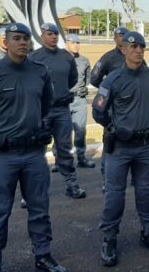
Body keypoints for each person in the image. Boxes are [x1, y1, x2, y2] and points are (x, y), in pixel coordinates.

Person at [0, 22, 68, 272]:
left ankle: (43, 255)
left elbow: (48, 104)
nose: (23, 43)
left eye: (26, 38)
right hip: (4, 156)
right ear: (6, 42)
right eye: (17, 38)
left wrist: (40, 126)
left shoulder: (39, 71)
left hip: (34, 154)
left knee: (39, 208)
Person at [92, 31, 149, 266]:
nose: (138, 51)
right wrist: (115, 127)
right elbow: (98, 111)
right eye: (133, 47)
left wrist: (140, 122)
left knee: (147, 192)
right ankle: (109, 239)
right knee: (115, 196)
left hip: (144, 146)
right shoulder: (112, 79)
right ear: (123, 49)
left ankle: (148, 233)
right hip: (120, 148)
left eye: (141, 47)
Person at [30, 23, 86, 199]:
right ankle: (32, 191)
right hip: (42, 111)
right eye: (49, 34)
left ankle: (72, 185)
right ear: (42, 36)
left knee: (65, 148)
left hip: (62, 109)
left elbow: (72, 80)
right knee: (37, 150)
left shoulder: (66, 57)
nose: (53, 37)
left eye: (56, 34)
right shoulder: (33, 57)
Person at [90, 26, 128, 178]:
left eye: (125, 36)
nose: (123, 38)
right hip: (113, 106)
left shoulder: (134, 55)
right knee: (110, 138)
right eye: (120, 36)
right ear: (115, 38)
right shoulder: (108, 58)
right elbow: (94, 78)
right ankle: (106, 174)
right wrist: (108, 91)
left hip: (130, 105)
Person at [66, 34, 95, 168]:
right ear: (67, 44)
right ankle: (60, 159)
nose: (76, 45)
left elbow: (87, 78)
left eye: (78, 42)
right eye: (73, 42)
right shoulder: (61, 59)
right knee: (62, 131)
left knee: (81, 130)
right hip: (64, 100)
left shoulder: (84, 60)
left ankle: (81, 157)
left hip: (79, 99)